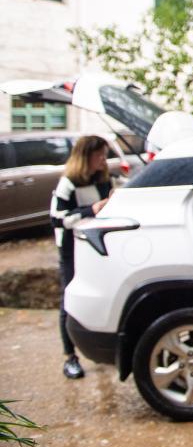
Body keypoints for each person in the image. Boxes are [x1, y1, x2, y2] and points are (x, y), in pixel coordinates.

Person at [50, 135, 112, 379]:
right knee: (69, 300)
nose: (103, 160)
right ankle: (70, 356)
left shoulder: (104, 179)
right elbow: (57, 218)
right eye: (99, 155)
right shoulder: (68, 183)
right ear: (86, 156)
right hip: (71, 249)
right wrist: (90, 210)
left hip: (96, 246)